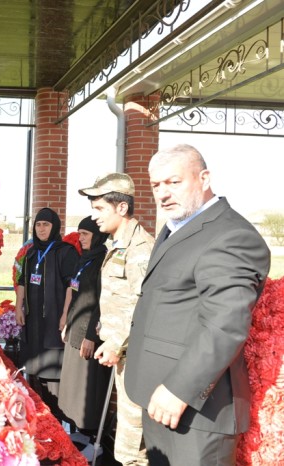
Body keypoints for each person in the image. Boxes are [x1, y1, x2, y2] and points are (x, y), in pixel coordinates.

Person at [125, 145, 270, 465]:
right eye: (156, 185)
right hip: (159, 397)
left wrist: (179, 389)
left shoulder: (231, 235)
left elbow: (225, 325)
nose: (162, 193)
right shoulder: (176, 227)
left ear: (204, 178)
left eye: (173, 182)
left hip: (197, 410)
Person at [78, 172, 154, 466]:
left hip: (134, 355)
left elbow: (141, 304)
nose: (94, 216)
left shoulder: (140, 249)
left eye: (99, 209)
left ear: (121, 208)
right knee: (126, 438)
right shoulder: (117, 244)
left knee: (132, 446)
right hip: (122, 352)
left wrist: (115, 343)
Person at [14, 207, 79, 420]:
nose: (41, 229)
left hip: (53, 322)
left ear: (55, 227)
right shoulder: (32, 252)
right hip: (33, 323)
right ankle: (40, 419)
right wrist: (18, 307)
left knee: (53, 374)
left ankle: (58, 421)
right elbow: (22, 281)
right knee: (33, 370)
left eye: (46, 225)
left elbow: (72, 285)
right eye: (38, 224)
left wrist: (65, 315)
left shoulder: (66, 252)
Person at [58, 216, 111, 460]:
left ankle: (94, 441)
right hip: (74, 329)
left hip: (89, 334)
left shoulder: (102, 261)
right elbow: (76, 294)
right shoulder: (84, 259)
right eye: (79, 233)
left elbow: (101, 304)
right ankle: (79, 431)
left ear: (97, 235)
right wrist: (67, 323)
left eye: (85, 234)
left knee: (88, 390)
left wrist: (91, 336)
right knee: (73, 388)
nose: (81, 238)